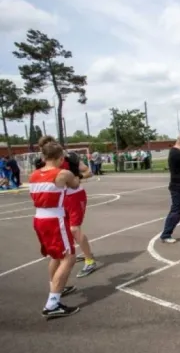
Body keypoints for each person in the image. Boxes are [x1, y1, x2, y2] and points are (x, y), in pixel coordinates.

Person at [29, 139, 82, 319]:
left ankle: (56, 287)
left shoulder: (33, 174)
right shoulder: (62, 173)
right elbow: (75, 184)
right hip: (55, 219)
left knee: (55, 255)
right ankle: (52, 303)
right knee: (69, 257)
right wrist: (75, 169)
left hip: (39, 218)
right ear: (60, 158)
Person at [36, 137, 99, 278]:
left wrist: (78, 177)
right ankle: (74, 256)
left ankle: (90, 260)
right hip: (59, 199)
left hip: (75, 196)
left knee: (74, 229)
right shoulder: (42, 163)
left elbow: (89, 171)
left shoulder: (70, 157)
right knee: (64, 231)